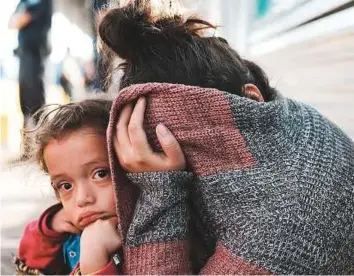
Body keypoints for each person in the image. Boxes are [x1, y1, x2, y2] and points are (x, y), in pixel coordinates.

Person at [98, 1, 354, 274]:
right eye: (151, 151)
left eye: (190, 151)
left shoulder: (271, 241)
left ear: (252, 99)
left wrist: (158, 192)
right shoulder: (296, 120)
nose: (168, 165)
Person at [14, 96, 186, 275]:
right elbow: (28, 264)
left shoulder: (155, 240)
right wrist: (49, 229)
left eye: (101, 174)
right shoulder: (71, 234)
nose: (82, 199)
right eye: (65, 186)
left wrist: (95, 259)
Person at [9, 0, 53, 127]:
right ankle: (27, 132)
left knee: (37, 96)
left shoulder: (44, 2)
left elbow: (21, 20)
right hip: (24, 53)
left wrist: (21, 17)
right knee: (24, 94)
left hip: (37, 54)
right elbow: (11, 23)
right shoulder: (23, 2)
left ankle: (41, 131)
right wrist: (19, 18)